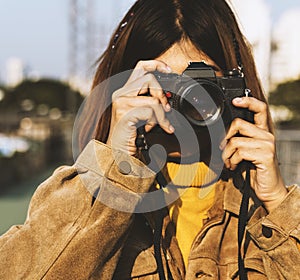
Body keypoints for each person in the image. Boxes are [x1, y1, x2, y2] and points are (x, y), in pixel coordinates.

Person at [0, 0, 299, 279]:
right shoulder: (77, 199)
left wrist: (278, 204)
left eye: (202, 90)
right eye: (165, 88)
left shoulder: (266, 207)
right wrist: (114, 175)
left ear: (236, 92)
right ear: (125, 91)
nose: (183, 108)